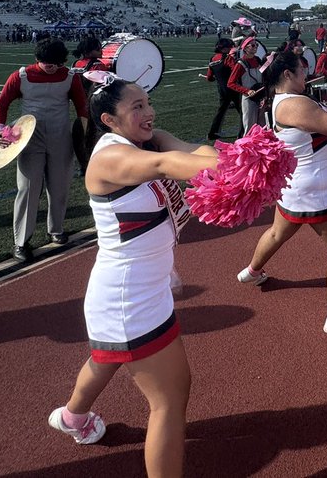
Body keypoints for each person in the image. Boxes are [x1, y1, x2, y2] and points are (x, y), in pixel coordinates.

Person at [48, 77, 218, 478]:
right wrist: (236, 168)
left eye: (148, 102)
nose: (148, 113)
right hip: (127, 297)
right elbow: (166, 165)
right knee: (171, 398)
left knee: (106, 358)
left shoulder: (148, 139)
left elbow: (195, 151)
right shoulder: (108, 158)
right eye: (136, 107)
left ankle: (73, 417)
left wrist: (226, 159)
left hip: (145, 288)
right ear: (108, 119)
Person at [237, 50, 327, 334]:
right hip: (316, 190)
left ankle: (252, 271)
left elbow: (324, 114)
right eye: (301, 68)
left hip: (297, 188)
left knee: (277, 233)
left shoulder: (286, 102)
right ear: (287, 74)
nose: (306, 72)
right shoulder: (293, 104)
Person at [0, 37, 89, 263]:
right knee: (28, 189)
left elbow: (81, 105)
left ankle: (56, 229)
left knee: (60, 186)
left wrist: (86, 129)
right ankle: (21, 242)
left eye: (55, 62)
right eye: (46, 62)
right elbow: (1, 104)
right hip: (29, 140)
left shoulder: (70, 77)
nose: (50, 66)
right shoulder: (21, 76)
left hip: (60, 137)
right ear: (37, 59)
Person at [71, 35, 105, 176]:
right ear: (90, 50)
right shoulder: (98, 65)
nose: (101, 51)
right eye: (98, 48)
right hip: (95, 106)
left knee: (80, 137)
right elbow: (103, 85)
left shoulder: (75, 64)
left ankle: (83, 166)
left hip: (80, 106)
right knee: (95, 137)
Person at [203, 38, 242, 141]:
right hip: (233, 89)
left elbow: (209, 78)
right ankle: (244, 132)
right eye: (230, 47)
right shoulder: (227, 58)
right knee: (243, 111)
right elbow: (236, 71)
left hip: (222, 90)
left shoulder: (212, 59)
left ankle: (212, 133)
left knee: (221, 112)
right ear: (225, 49)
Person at [226, 36, 265, 135]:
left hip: (260, 97)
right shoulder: (240, 64)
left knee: (262, 126)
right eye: (252, 45)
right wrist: (246, 91)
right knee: (250, 128)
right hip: (249, 98)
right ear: (245, 48)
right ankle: (247, 148)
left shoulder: (258, 60)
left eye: (256, 45)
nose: (255, 47)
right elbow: (230, 83)